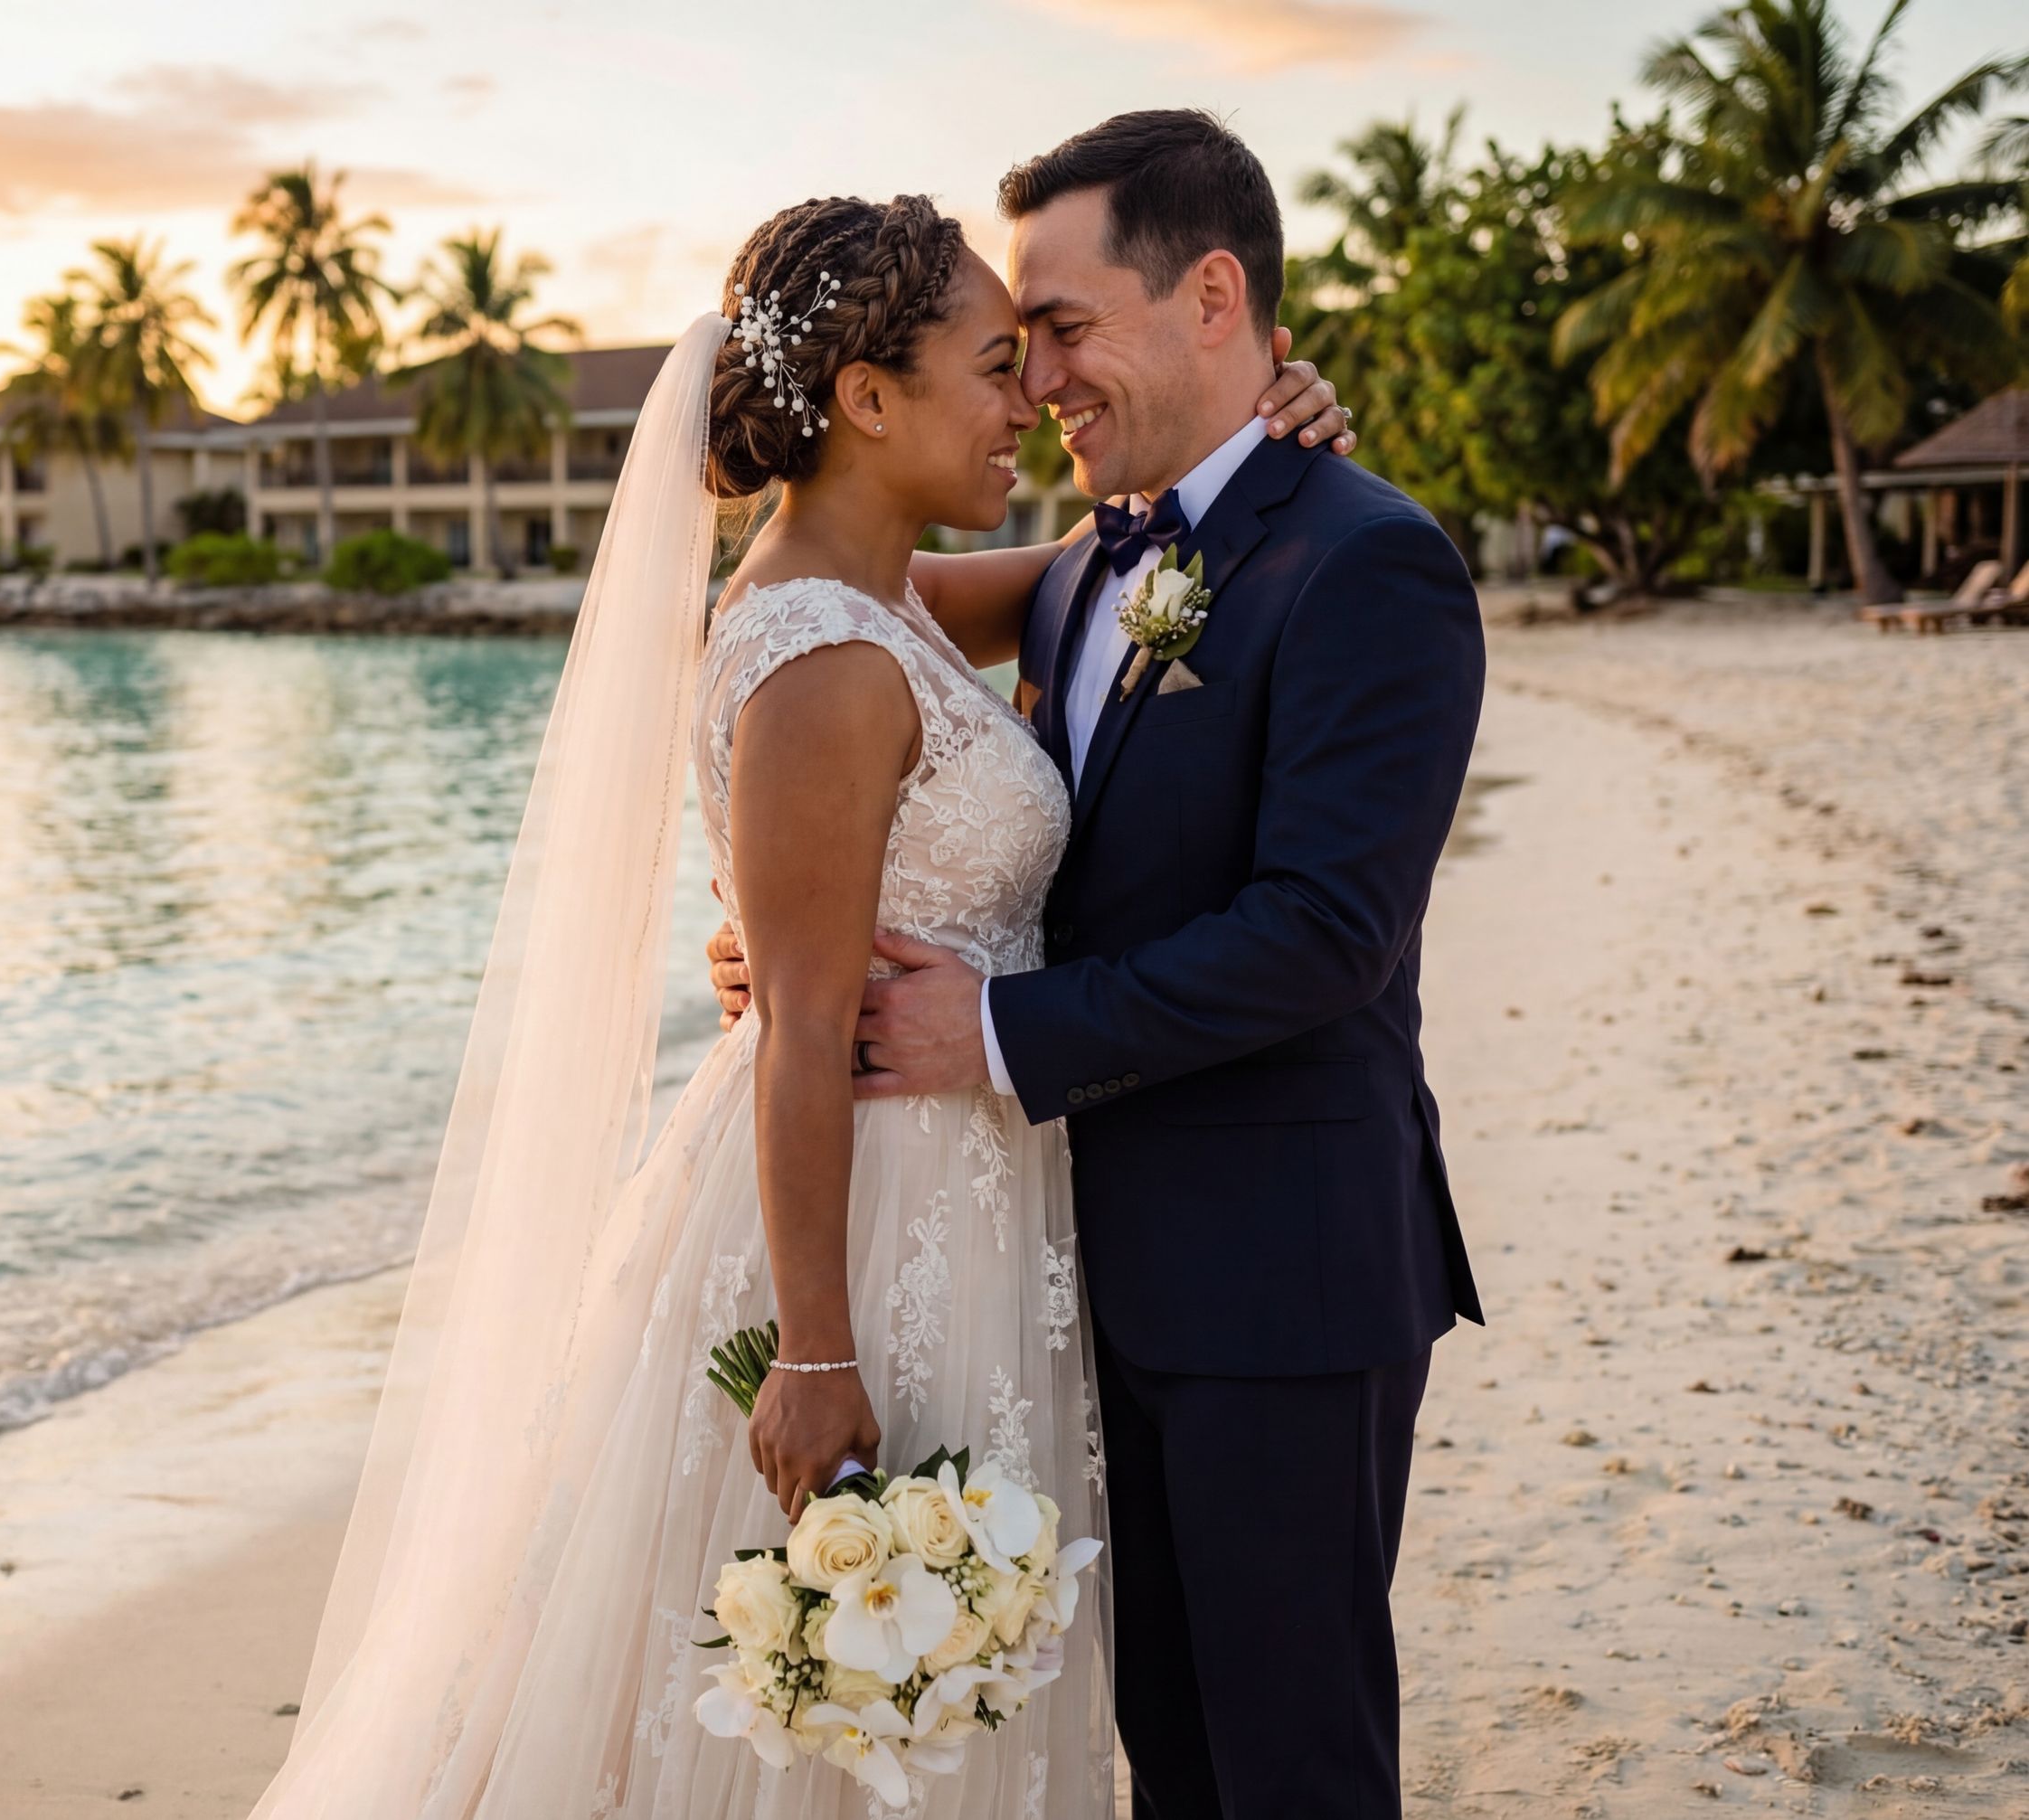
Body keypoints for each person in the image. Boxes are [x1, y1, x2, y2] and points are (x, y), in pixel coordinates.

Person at [251, 180, 1351, 1816]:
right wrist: (821, 1351)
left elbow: (1103, 572)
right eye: (996, 365)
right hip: (872, 1214)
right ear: (865, 396)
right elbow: (797, 1039)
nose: (1029, 397)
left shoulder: (880, 597)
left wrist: (1265, 439)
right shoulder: (828, 658)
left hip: (962, 1183)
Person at [713, 111, 1485, 1818]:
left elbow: (1324, 937)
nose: (1040, 377)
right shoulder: (1083, 572)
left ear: (1215, 297)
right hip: (1073, 1270)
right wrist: (791, 951)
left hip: (1282, 1276)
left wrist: (979, 1026)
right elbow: (843, 690)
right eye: (1010, 347)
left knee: (1295, 1761)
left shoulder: (1370, 563)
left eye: (1061, 329)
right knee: (1168, 1756)